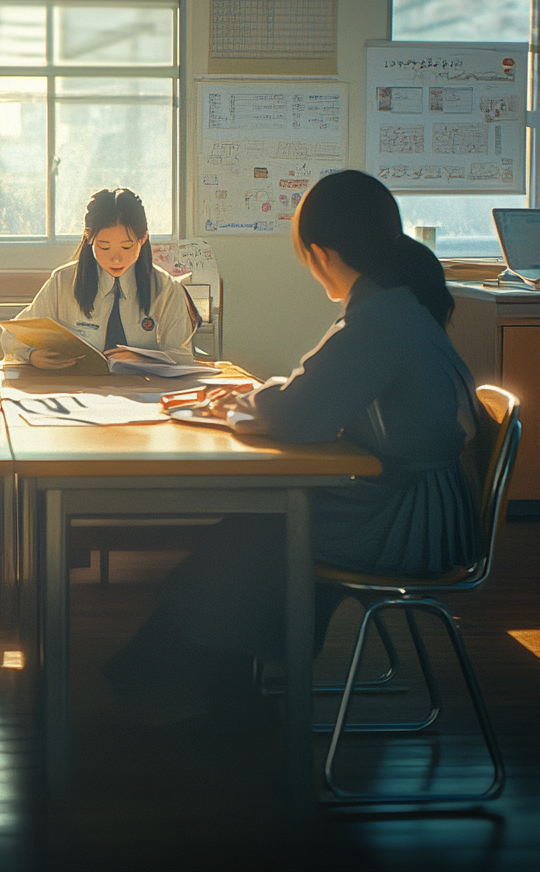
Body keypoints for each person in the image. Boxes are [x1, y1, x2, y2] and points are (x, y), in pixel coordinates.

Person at [105, 170, 481, 721]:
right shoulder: (395, 308)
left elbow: (298, 415)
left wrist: (239, 408)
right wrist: (255, 401)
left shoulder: (377, 321)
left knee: (248, 538)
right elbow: (315, 394)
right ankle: (212, 679)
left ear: (321, 253)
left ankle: (186, 684)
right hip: (420, 505)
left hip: (408, 524)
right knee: (250, 533)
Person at [0, 188, 198, 368]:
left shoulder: (165, 288)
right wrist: (32, 356)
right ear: (89, 238)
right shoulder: (63, 281)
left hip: (145, 392)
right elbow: (12, 336)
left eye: (127, 246)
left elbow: (183, 355)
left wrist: (144, 359)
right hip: (78, 391)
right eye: (104, 246)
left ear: (143, 239)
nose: (116, 257)